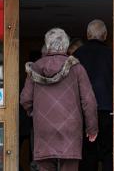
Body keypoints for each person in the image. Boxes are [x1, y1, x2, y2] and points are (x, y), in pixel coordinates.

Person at [20, 28, 98, 171]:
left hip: (43, 130)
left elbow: (25, 99)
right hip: (70, 131)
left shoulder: (35, 68)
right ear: (66, 46)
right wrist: (92, 129)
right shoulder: (77, 68)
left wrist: (35, 114)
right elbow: (89, 100)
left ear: (47, 45)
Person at [74, 19, 113, 171]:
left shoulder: (77, 55)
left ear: (88, 35)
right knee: (109, 154)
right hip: (109, 111)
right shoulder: (112, 55)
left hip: (83, 113)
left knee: (87, 155)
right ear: (105, 35)